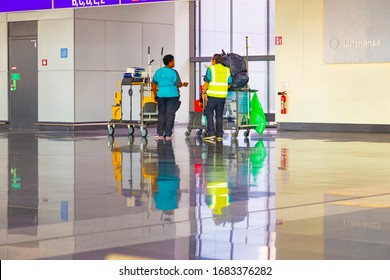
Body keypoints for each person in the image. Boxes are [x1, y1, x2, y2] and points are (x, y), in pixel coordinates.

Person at [151, 54, 188, 141]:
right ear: (170, 62)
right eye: (173, 61)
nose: (174, 63)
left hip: (161, 95)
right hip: (172, 96)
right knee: (170, 114)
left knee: (161, 114)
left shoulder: (158, 71)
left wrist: (154, 94)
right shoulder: (173, 72)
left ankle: (160, 134)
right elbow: (177, 84)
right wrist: (183, 84)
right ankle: (168, 134)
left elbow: (153, 84)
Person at [202, 53, 232, 141]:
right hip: (222, 96)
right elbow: (229, 83)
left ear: (214, 60)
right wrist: (222, 89)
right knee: (219, 115)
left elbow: (207, 82)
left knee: (208, 112)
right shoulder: (227, 70)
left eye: (212, 60)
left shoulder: (211, 68)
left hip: (212, 95)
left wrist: (204, 92)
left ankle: (211, 133)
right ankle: (219, 135)